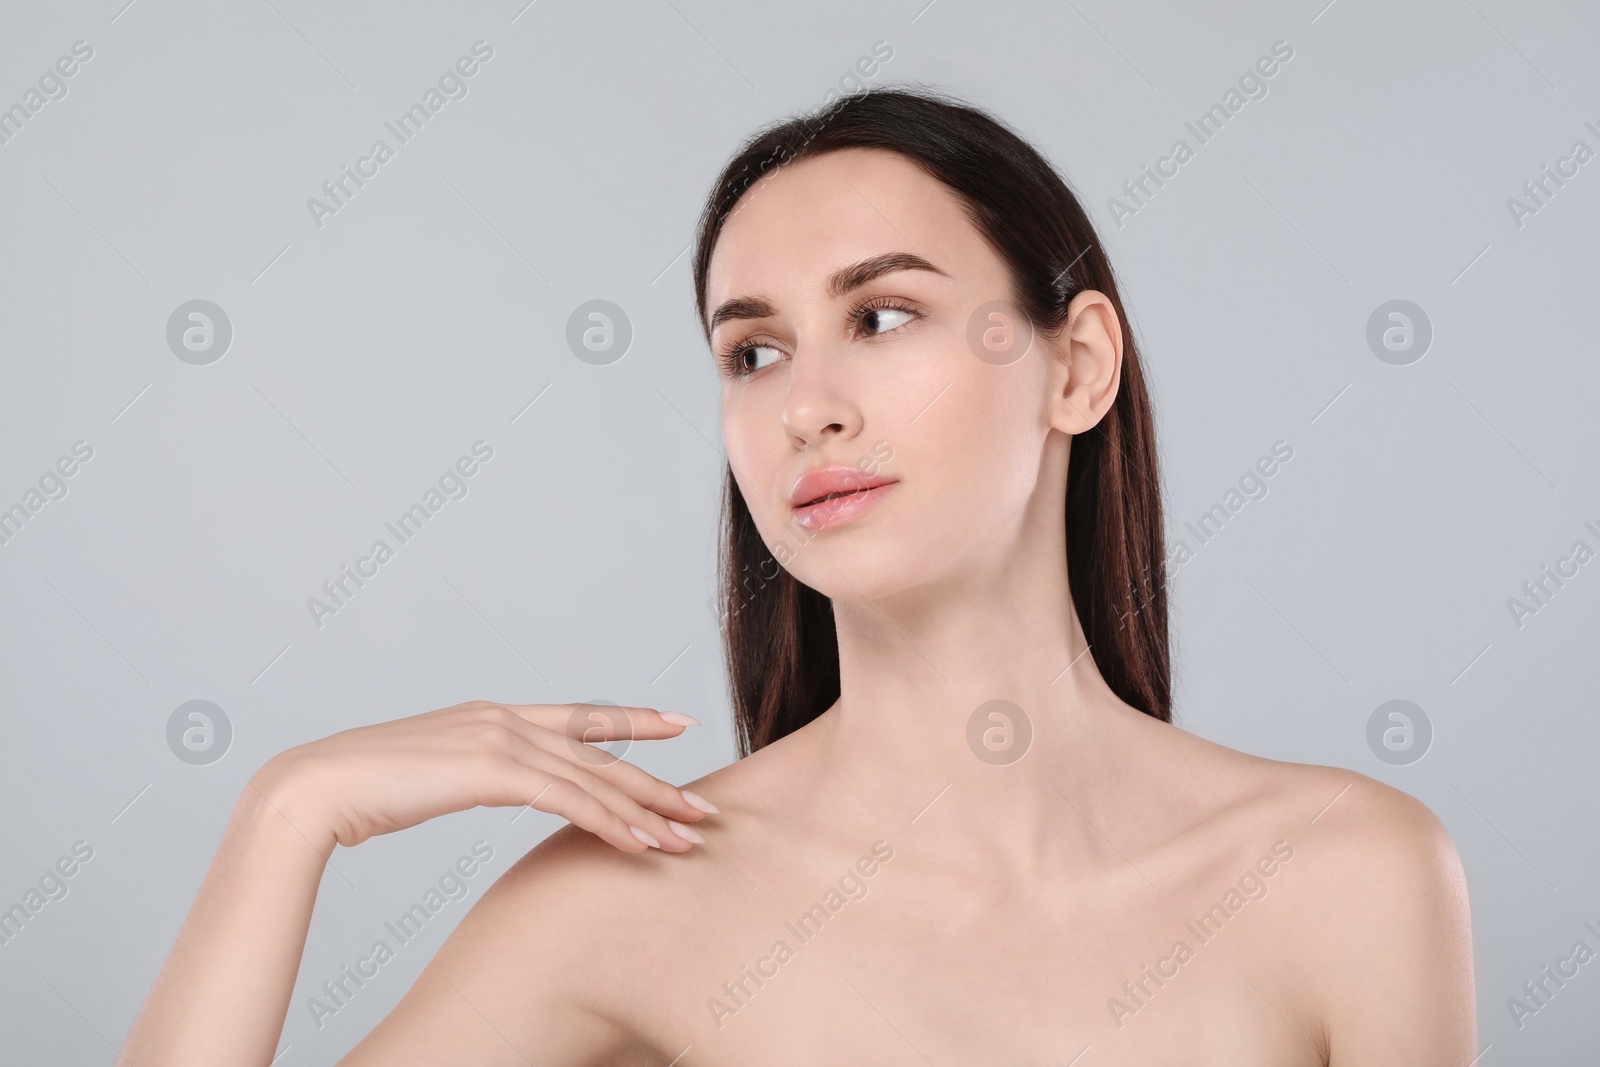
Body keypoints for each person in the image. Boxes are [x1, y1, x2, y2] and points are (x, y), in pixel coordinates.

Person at [124, 86, 1475, 1065]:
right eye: (752, 351)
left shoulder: (1350, 876)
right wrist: (289, 811)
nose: (804, 406)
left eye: (882, 317)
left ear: (1076, 367)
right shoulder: (632, 902)